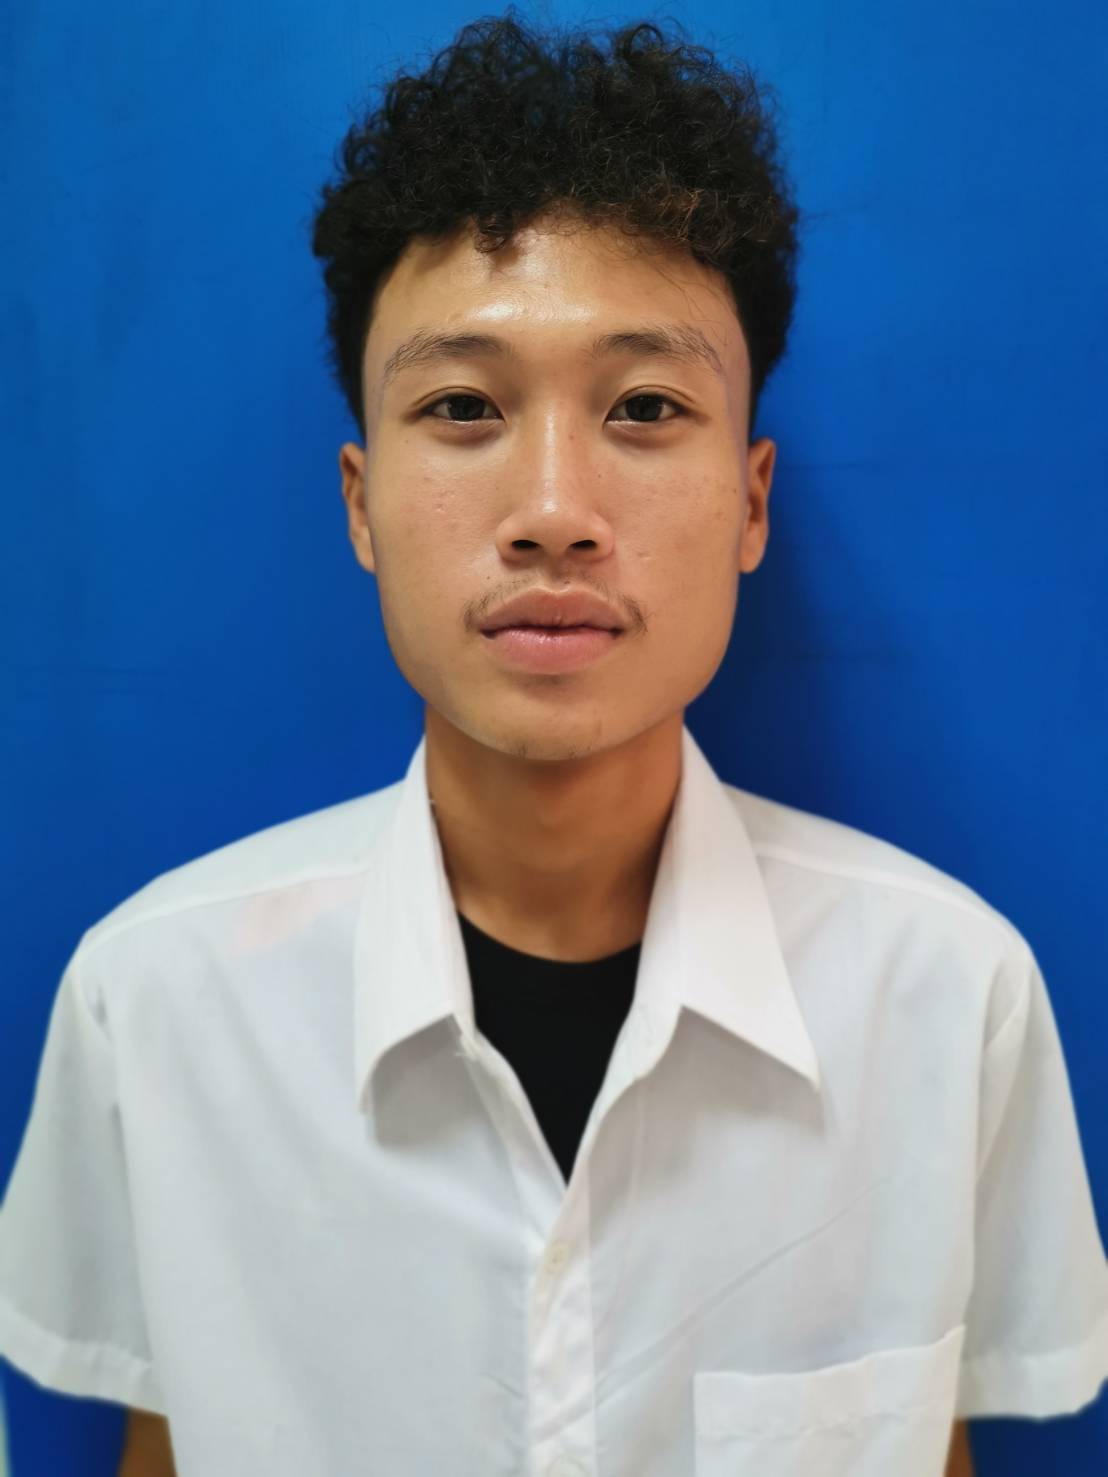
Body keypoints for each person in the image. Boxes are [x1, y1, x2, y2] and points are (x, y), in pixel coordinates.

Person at [1, 11, 1105, 1476]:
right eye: (463, 406)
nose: (553, 512)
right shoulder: (154, 1004)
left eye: (646, 407)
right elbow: (164, 1438)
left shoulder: (950, 996)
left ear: (753, 501)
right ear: (360, 503)